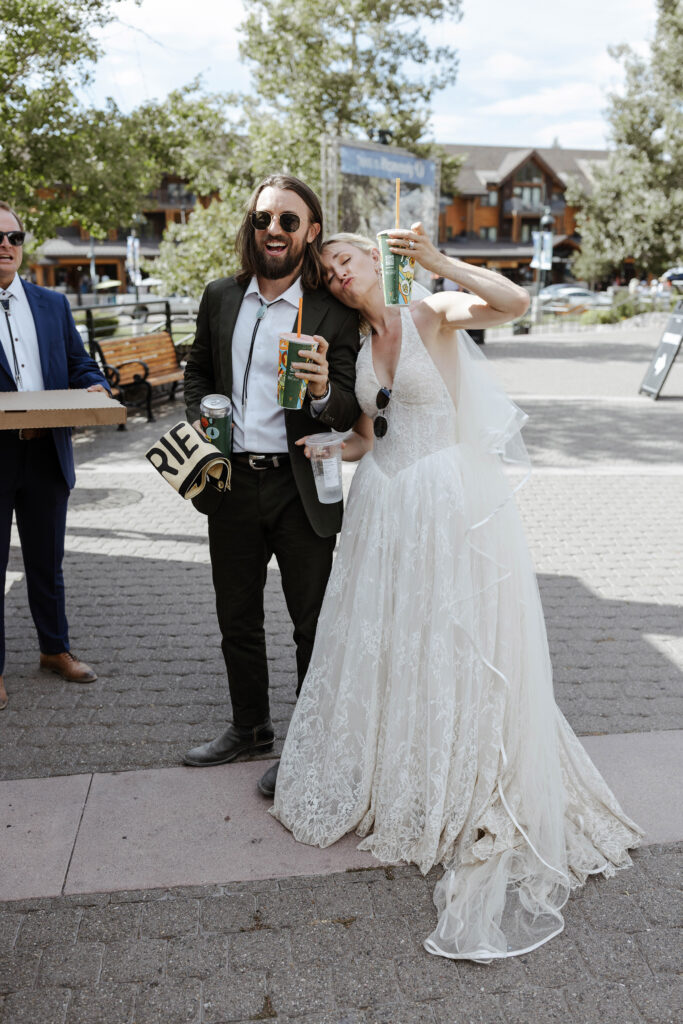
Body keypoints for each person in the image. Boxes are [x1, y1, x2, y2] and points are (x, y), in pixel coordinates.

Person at [271, 226, 642, 962]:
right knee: (395, 644)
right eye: (328, 271)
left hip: (447, 505)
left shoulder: (429, 312)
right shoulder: (356, 341)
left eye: (344, 258)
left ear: (376, 258)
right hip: (385, 506)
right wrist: (334, 443)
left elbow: (511, 301)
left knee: (454, 641)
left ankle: (463, 775)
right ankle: (397, 770)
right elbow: (376, 432)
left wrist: (435, 260)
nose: (338, 274)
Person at [182, 175, 361, 795]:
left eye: (289, 220)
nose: (275, 231)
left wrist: (319, 390)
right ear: (251, 228)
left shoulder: (334, 313)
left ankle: (308, 743)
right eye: (264, 220)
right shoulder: (220, 296)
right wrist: (201, 427)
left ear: (310, 230)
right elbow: (197, 370)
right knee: (236, 616)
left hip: (299, 485)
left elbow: (344, 412)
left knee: (310, 622)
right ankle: (250, 728)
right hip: (229, 482)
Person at [0, 201, 110, 711]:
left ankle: (54, 649)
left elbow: (79, 363)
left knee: (48, 563)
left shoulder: (52, 303)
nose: (5, 246)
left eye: (14, 237)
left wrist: (93, 386)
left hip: (46, 451)